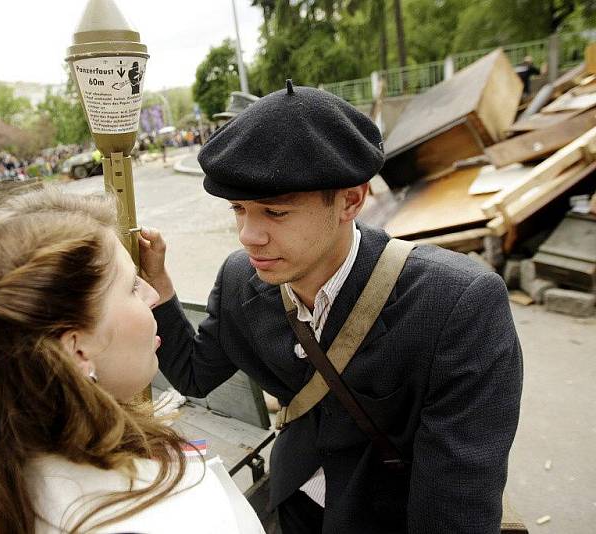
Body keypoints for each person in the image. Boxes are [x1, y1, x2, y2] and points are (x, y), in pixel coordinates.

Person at [138, 81, 523, 533]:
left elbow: (456, 510)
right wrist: (160, 290)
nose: (248, 236)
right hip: (293, 497)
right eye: (239, 209)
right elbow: (193, 374)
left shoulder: (457, 306)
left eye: (275, 213)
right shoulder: (241, 278)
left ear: (351, 200)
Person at [0, 187, 264, 534]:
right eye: (132, 287)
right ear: (77, 350)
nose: (153, 294)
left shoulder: (0, 482)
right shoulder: (178, 518)